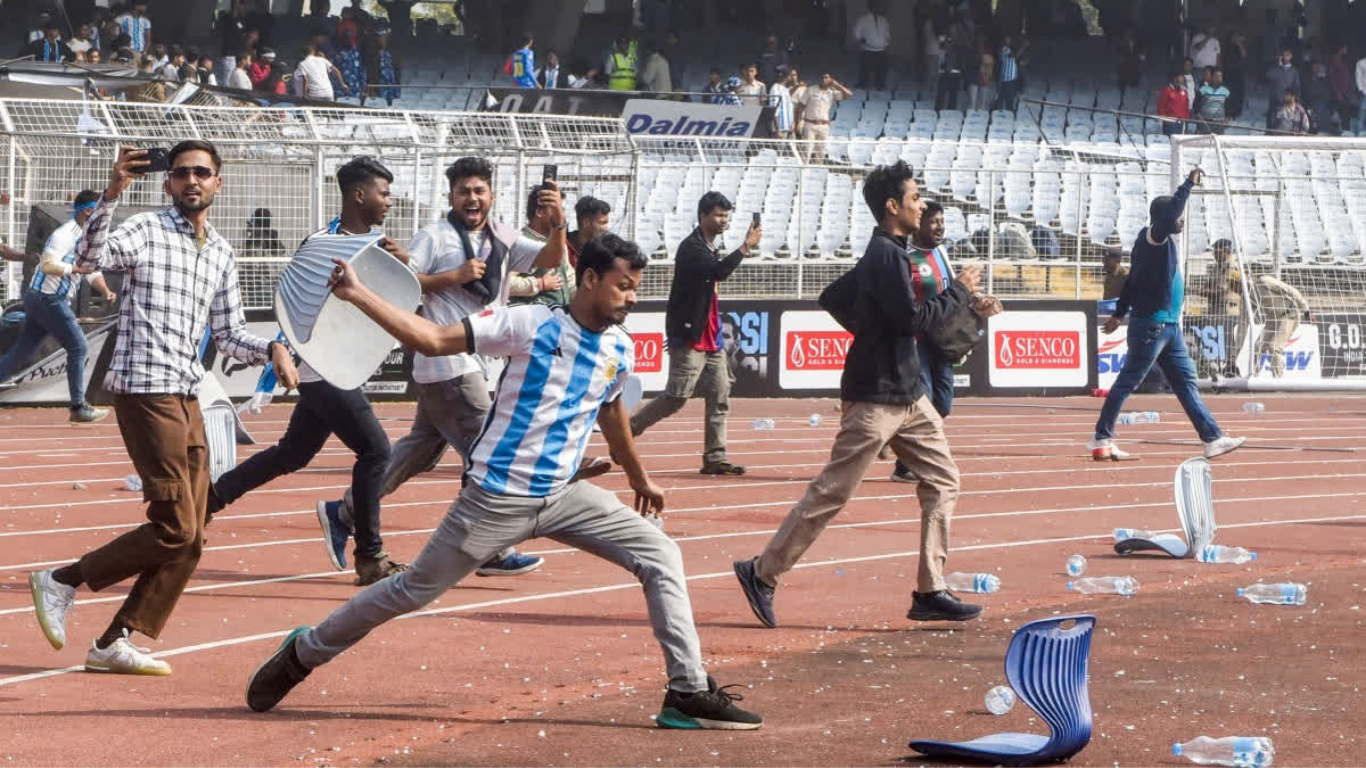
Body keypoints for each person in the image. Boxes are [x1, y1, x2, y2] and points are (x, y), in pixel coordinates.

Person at [245, 234, 765, 732]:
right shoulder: (529, 324)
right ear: (588, 279)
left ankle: (687, 692)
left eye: (636, 287)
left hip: (565, 495)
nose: (632, 297)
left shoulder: (619, 350)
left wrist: (639, 477)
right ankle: (305, 651)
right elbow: (430, 338)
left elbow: (611, 414)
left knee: (661, 556)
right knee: (411, 590)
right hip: (494, 502)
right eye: (624, 285)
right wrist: (357, 293)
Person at [27, 141, 300, 675]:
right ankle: (63, 580)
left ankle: (115, 641)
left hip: (187, 391)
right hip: (142, 388)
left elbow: (228, 332)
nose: (191, 181)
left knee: (193, 531)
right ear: (168, 182)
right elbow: (88, 261)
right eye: (180, 173)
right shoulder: (146, 229)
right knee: (175, 526)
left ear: (218, 183)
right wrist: (112, 192)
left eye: (202, 172)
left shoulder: (221, 251)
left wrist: (270, 348)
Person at [732, 160, 985, 627]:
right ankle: (762, 573)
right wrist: (959, 293)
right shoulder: (886, 256)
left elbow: (833, 296)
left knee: (944, 480)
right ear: (893, 207)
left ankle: (930, 589)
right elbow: (913, 321)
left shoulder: (889, 254)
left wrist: (868, 329)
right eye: (914, 198)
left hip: (909, 395)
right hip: (875, 397)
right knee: (831, 493)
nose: (922, 204)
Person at [317, 157, 568, 578]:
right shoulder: (434, 237)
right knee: (491, 458)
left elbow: (549, 259)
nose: (472, 198)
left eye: (479, 190)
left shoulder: (502, 236)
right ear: (451, 197)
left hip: (468, 362)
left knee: (416, 452)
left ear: (491, 195)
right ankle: (490, 548)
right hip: (450, 362)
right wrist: (455, 274)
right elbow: (405, 282)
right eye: (464, 191)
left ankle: (344, 512)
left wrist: (558, 223)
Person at [210, 157, 410, 586]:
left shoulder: (382, 247)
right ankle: (370, 556)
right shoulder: (321, 244)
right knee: (376, 452)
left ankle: (207, 500)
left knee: (292, 454)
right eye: (384, 193)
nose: (389, 202)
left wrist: (402, 267)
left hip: (346, 369)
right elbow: (298, 306)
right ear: (359, 194)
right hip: (323, 371)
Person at [1090, 169, 1244, 462]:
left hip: (1168, 326)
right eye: (1178, 217)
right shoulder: (1154, 238)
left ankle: (1212, 439)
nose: (1182, 220)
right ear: (1164, 219)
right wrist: (1189, 184)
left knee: (1186, 382)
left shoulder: (1151, 244)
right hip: (1154, 324)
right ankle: (1101, 438)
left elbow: (1133, 281)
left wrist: (1119, 313)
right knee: (1127, 382)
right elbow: (1170, 215)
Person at [628, 192, 761, 476]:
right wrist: (745, 247)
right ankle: (628, 431)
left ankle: (715, 457)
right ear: (702, 216)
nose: (723, 220)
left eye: (726, 215)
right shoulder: (692, 248)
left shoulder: (708, 246)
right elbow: (718, 272)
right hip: (691, 336)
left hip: (711, 337)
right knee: (676, 397)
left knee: (720, 394)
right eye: (718, 215)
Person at [0, 191, 115, 422]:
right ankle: (79, 407)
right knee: (79, 347)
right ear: (88, 212)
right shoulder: (64, 235)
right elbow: (47, 265)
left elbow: (92, 272)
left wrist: (105, 290)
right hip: (47, 298)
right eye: (100, 213)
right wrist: (76, 270)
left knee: (24, 348)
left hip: (43, 299)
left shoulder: (88, 239)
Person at [888, 200, 957, 484]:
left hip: (942, 339)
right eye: (934, 222)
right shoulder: (905, 255)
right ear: (919, 225)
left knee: (944, 403)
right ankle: (912, 463)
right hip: (916, 340)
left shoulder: (942, 253)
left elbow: (954, 289)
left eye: (942, 221)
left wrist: (976, 300)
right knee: (924, 401)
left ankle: (902, 456)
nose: (940, 227)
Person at [1201, 239, 1245, 378]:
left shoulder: (1231, 267)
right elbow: (1207, 286)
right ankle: (1217, 371)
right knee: (1215, 343)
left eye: (1217, 251)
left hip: (1228, 310)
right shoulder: (1217, 267)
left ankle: (1231, 370)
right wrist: (1203, 290)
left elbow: (1220, 291)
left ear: (1226, 251)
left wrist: (1196, 291)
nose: (1214, 254)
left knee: (1226, 344)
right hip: (1215, 309)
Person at [1253, 274, 1309, 378]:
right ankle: (1253, 375)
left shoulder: (1265, 281)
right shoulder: (1246, 295)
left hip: (1289, 315)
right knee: (1258, 346)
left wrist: (1306, 311)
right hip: (1272, 317)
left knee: (1274, 347)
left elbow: (1291, 290)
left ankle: (1278, 377)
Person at [798, 72, 851, 164]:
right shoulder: (810, 90)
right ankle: (803, 172)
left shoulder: (832, 92)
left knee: (821, 152)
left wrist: (837, 85)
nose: (824, 79)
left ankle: (817, 172)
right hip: (810, 124)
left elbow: (849, 95)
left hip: (824, 126)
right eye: (822, 77)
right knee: (806, 151)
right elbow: (801, 106)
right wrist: (799, 122)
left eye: (826, 78)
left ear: (830, 79)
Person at [853, 0, 890, 90]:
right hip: (867, 50)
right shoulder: (863, 19)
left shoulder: (883, 20)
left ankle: (879, 85)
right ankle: (863, 85)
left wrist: (885, 43)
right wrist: (864, 41)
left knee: (881, 70)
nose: (879, 8)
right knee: (865, 70)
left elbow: (887, 34)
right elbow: (856, 34)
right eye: (877, 6)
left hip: (881, 50)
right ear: (871, 7)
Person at [1266, 48, 1301, 129]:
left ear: (1291, 56)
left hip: (1287, 101)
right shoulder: (1276, 68)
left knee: (1284, 123)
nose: (1285, 57)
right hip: (1275, 100)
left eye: (1287, 55)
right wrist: (1277, 66)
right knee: (1272, 123)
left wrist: (1297, 101)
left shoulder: (1294, 71)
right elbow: (1268, 76)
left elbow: (1297, 87)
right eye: (1283, 55)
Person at [366, 32, 401, 105]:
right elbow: (372, 72)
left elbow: (397, 70)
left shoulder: (393, 53)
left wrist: (397, 86)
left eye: (384, 37)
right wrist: (372, 89)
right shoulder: (374, 56)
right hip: (379, 86)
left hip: (391, 86)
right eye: (381, 38)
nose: (382, 39)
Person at [1195, 67, 1230, 134]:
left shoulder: (1226, 91)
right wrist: (1201, 120)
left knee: (1218, 142)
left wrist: (1227, 119)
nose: (1218, 78)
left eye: (1220, 76)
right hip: (1205, 122)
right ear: (1211, 77)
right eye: (1216, 76)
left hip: (1219, 123)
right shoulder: (1203, 90)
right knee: (1204, 142)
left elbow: (1229, 107)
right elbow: (1196, 107)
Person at [770, 66, 800, 140]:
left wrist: (793, 123)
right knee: (779, 151)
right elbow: (774, 111)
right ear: (787, 76)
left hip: (789, 128)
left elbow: (790, 108)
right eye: (790, 75)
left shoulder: (785, 89)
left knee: (791, 151)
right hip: (781, 129)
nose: (791, 77)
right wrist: (778, 130)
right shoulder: (775, 89)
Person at [1158, 71, 1190, 136]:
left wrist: (1186, 118)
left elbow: (1186, 106)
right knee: (1171, 141)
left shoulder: (1184, 92)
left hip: (1182, 122)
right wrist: (1165, 119)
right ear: (1175, 80)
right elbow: (1161, 106)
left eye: (1182, 83)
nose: (1180, 84)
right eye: (1179, 82)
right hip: (1170, 122)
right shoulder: (1167, 90)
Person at [995, 34, 1020, 111]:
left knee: (1010, 100)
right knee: (1005, 99)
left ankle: (1008, 115)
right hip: (1007, 78)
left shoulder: (1009, 49)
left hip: (1011, 78)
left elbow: (1015, 60)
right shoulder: (1004, 49)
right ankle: (1001, 115)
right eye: (1007, 39)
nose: (1009, 41)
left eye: (1009, 39)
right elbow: (1015, 56)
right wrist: (1024, 47)